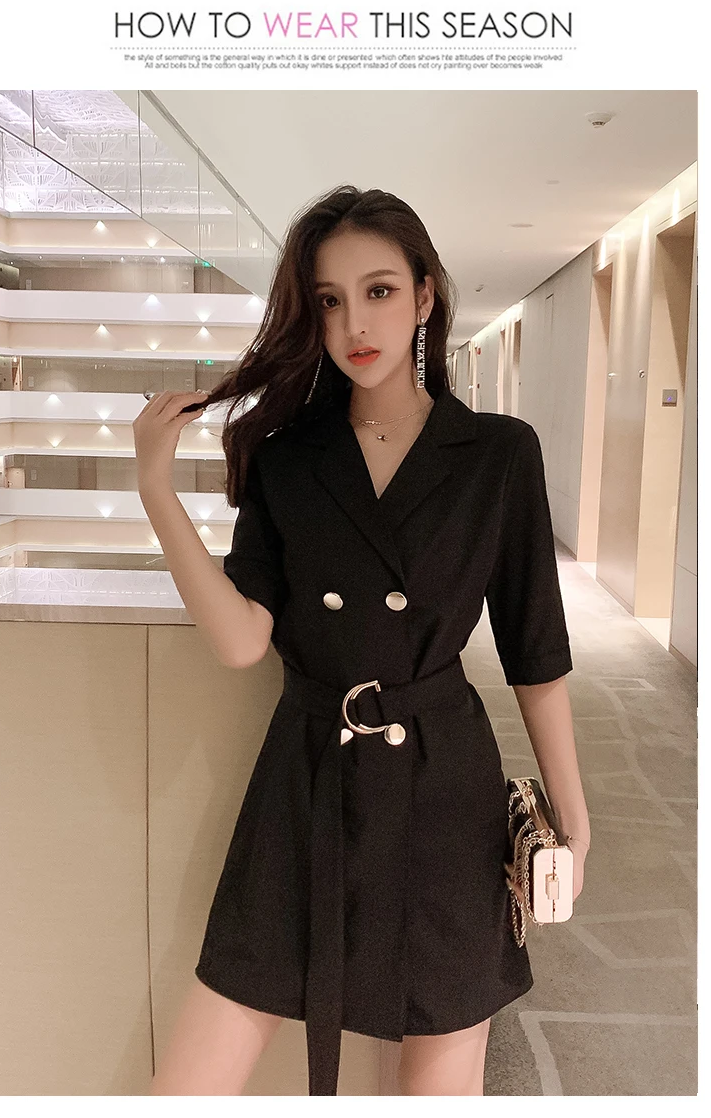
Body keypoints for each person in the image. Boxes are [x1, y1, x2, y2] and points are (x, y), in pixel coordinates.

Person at [132, 185, 591, 1097]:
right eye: (330, 300)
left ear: (425, 295)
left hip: (443, 788)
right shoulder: (286, 456)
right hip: (306, 782)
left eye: (378, 291)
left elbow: (535, 654)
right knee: (187, 1086)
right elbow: (241, 640)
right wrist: (156, 490)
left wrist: (575, 825)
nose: (354, 323)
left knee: (437, 1087)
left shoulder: (498, 453)